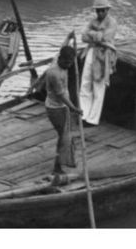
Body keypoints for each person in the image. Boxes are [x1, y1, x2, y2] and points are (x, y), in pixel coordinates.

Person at [42, 45, 81, 176]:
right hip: (55, 109)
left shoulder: (64, 66)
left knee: (67, 135)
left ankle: (68, 161)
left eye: (70, 62)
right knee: (63, 138)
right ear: (60, 59)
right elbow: (61, 95)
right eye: (66, 62)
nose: (68, 65)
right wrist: (74, 108)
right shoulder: (54, 73)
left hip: (62, 107)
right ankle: (57, 167)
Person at [79, 0, 118, 127]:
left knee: (98, 85)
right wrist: (96, 35)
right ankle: (83, 114)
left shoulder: (112, 22)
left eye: (102, 10)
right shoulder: (93, 21)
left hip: (103, 54)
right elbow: (83, 37)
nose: (100, 13)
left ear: (107, 10)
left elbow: (106, 38)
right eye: (98, 10)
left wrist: (92, 34)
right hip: (91, 51)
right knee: (85, 83)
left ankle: (92, 119)